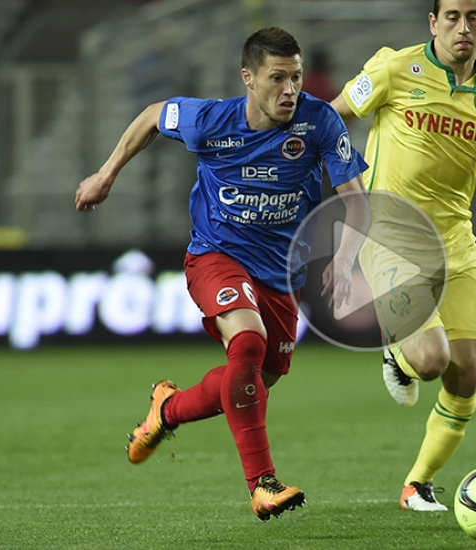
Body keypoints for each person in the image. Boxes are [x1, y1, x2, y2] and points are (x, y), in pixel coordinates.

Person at [75, 27, 370, 521]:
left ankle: (165, 412)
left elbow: (357, 201)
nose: (289, 90)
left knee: (258, 378)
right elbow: (152, 116)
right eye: (277, 78)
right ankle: (262, 484)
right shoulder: (211, 119)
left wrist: (345, 259)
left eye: (295, 77)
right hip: (217, 255)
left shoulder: (319, 122)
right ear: (248, 79)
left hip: (281, 274)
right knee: (248, 347)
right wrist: (107, 174)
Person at [331, 0, 476, 511]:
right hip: (390, 232)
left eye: (473, 17)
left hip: (456, 241)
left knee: (466, 373)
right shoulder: (395, 68)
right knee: (432, 361)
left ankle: (417, 484)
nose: (463, 27)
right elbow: (333, 116)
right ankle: (397, 350)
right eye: (452, 17)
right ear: (432, 23)